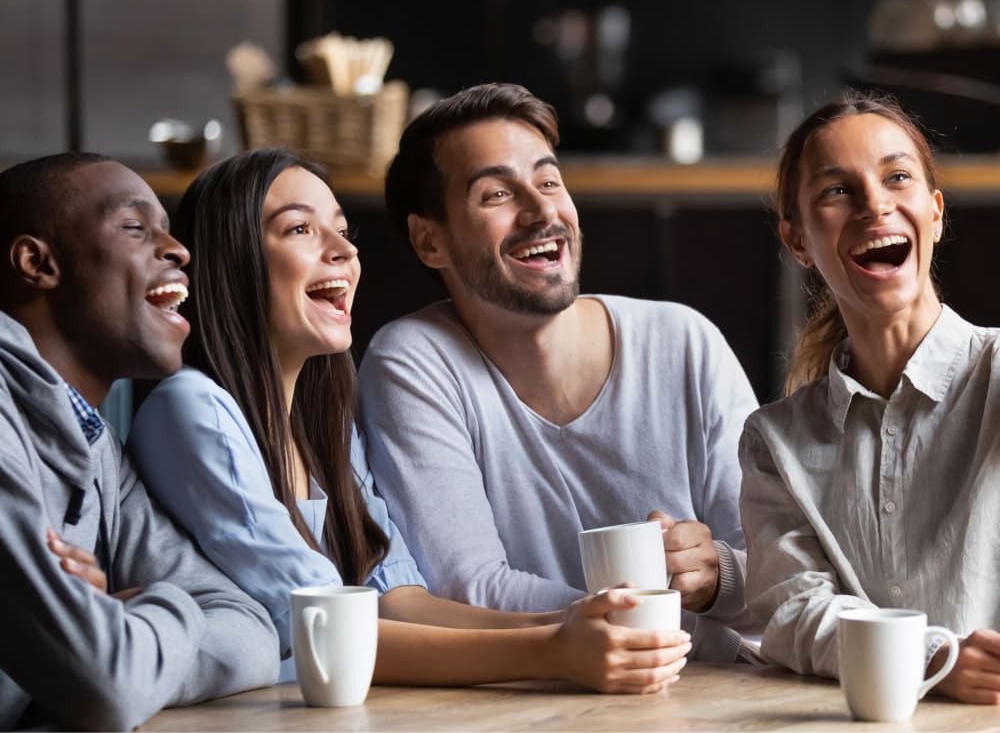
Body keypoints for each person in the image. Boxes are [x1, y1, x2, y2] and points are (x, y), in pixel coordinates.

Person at [127, 147, 691, 694]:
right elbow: (327, 631)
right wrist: (552, 653)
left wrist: (574, 622)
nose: (343, 252)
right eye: (300, 229)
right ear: (233, 260)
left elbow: (399, 598)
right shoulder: (191, 409)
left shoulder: (323, 428)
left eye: (344, 232)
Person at [358, 83, 760, 662]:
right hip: (539, 705)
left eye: (549, 181)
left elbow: (780, 577)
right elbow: (467, 587)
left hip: (719, 702)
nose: (543, 209)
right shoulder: (415, 362)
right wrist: (601, 637)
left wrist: (717, 575)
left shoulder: (684, 342)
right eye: (497, 193)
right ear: (430, 241)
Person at [0, 153, 278, 731]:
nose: (178, 249)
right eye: (135, 227)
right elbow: (106, 685)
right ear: (37, 262)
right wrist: (155, 608)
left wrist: (120, 621)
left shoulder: (96, 441)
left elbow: (251, 633)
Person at [739, 91, 1000, 704]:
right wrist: (930, 656)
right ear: (797, 240)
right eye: (837, 191)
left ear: (934, 212)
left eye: (897, 178)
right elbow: (792, 610)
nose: (874, 205)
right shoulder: (774, 442)